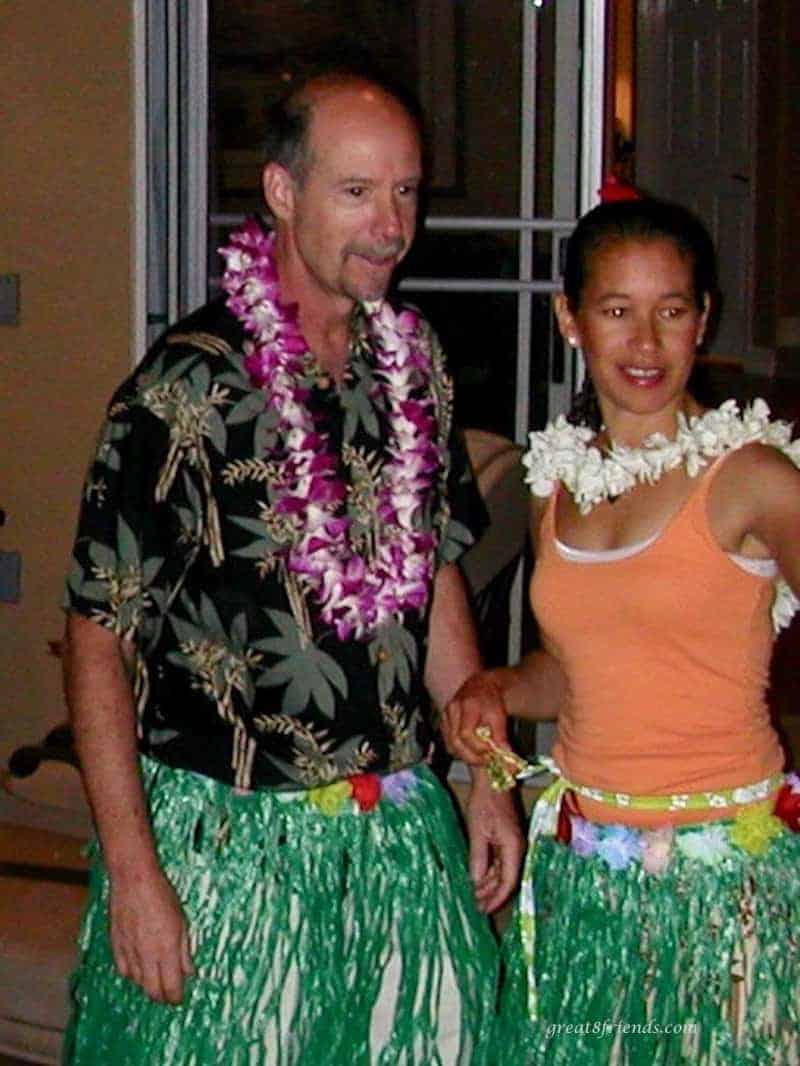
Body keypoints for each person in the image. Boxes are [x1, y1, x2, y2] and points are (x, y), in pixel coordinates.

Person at [61, 67, 523, 1065]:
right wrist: (136, 876)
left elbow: (433, 567)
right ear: (281, 192)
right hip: (232, 849)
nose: (390, 224)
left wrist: (484, 775)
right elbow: (98, 638)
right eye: (357, 191)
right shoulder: (187, 388)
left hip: (397, 832)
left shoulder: (413, 362)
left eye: (406, 192)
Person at [445, 198, 800, 1064]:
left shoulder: (752, 477)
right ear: (570, 318)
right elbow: (574, 673)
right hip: (585, 870)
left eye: (671, 311)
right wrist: (493, 687)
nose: (646, 343)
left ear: (702, 319)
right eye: (617, 311)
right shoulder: (554, 486)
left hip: (722, 878)